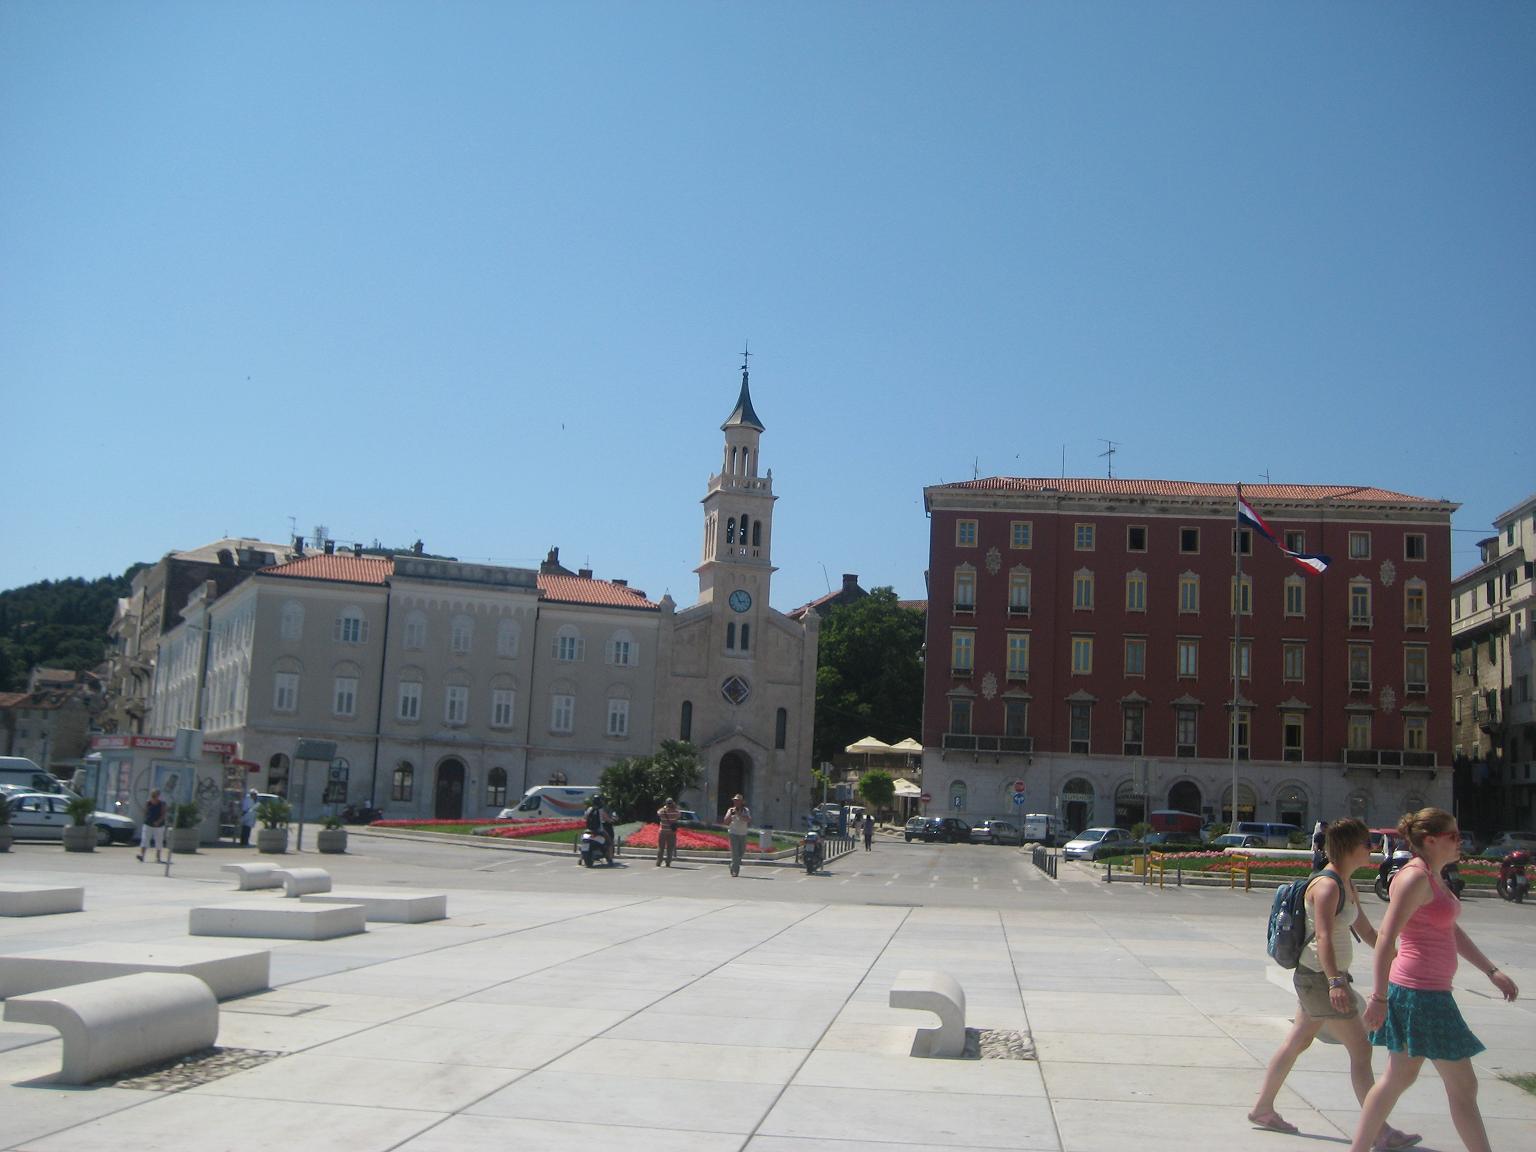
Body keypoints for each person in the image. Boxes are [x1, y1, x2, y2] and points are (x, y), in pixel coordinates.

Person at [1348, 808, 1520, 1152]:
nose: (1460, 842)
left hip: (1426, 992)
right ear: (1429, 840)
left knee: (1400, 1078)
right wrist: (1379, 997)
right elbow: (1386, 938)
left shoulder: (1433, 875)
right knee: (1461, 1086)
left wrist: (1491, 971)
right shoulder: (1414, 878)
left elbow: (1449, 929)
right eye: (1453, 836)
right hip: (1420, 994)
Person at [1248, 818, 1419, 1150]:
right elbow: (1324, 938)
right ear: (1350, 848)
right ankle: (1380, 1131)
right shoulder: (1327, 886)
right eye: (1367, 844)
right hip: (1321, 979)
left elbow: (1367, 932)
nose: (1372, 849)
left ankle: (1262, 1108)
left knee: (1298, 1041)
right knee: (1361, 1049)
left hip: (1319, 978)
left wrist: (1398, 959)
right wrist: (1336, 982)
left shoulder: (1347, 883)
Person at [724, 793, 751, 877]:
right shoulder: (731, 810)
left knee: (741, 852)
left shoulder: (745, 810)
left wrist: (739, 814)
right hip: (733, 833)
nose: (736, 802)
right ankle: (735, 871)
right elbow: (726, 821)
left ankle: (732, 865)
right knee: (735, 853)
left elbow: (748, 819)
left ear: (742, 802)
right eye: (735, 800)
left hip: (743, 833)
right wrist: (730, 816)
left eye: (738, 800)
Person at [138, 789, 167, 863]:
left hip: (159, 825)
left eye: (155, 795)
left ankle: (158, 858)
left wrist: (158, 821)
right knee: (145, 839)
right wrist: (146, 816)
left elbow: (163, 814)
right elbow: (145, 812)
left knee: (159, 841)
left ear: (158, 796)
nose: (153, 797)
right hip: (148, 824)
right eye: (152, 795)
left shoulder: (162, 804)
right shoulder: (148, 803)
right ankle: (142, 855)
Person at [656, 797, 681, 867]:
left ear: (666, 803)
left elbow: (658, 812)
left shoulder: (662, 811)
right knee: (670, 848)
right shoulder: (675, 812)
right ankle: (668, 862)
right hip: (672, 832)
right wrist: (674, 807)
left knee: (661, 847)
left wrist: (664, 807)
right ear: (672, 803)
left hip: (663, 831)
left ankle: (659, 861)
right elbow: (679, 814)